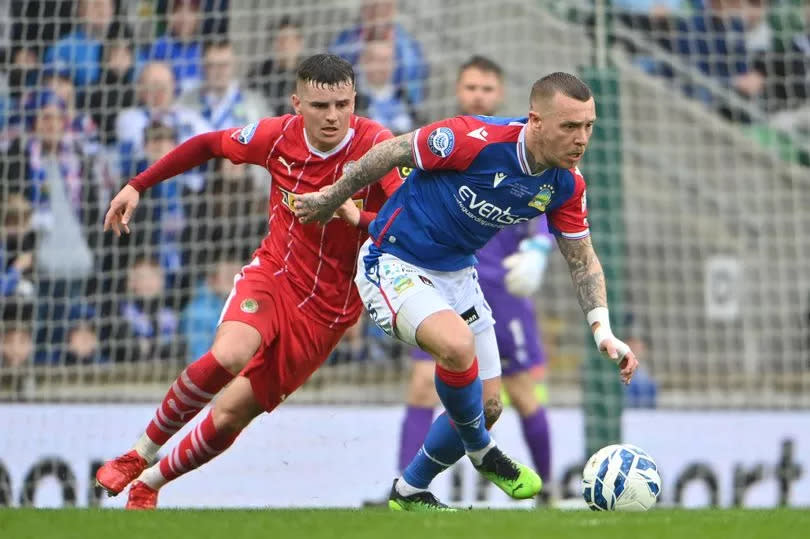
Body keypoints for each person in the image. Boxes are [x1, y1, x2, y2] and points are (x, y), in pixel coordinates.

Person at [294, 71, 640, 510]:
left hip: (459, 276)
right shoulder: (471, 138)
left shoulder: (567, 185)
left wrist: (603, 332)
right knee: (456, 349)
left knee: (490, 406)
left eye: (589, 126)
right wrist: (330, 197)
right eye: (570, 126)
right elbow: (386, 153)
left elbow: (583, 260)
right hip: (393, 263)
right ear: (535, 120)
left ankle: (409, 491)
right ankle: (483, 450)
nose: (581, 139)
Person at [94, 54, 402, 509]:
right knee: (230, 353)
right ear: (297, 103)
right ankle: (138, 454)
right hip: (276, 274)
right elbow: (207, 145)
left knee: (233, 412)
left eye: (342, 104)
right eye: (320, 106)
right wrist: (138, 184)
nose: (333, 116)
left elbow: (406, 223)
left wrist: (357, 215)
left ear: (354, 98)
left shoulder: (378, 147)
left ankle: (151, 483)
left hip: (330, 312)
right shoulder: (276, 136)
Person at [387, 56, 556, 507]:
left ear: (499, 95)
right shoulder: (454, 143)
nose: (478, 95)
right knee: (425, 382)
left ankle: (549, 495)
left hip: (500, 289)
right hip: (433, 282)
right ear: (459, 92)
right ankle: (406, 484)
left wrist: (539, 246)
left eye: (486, 88)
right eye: (471, 88)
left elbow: (548, 198)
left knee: (515, 395)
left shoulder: (520, 149)